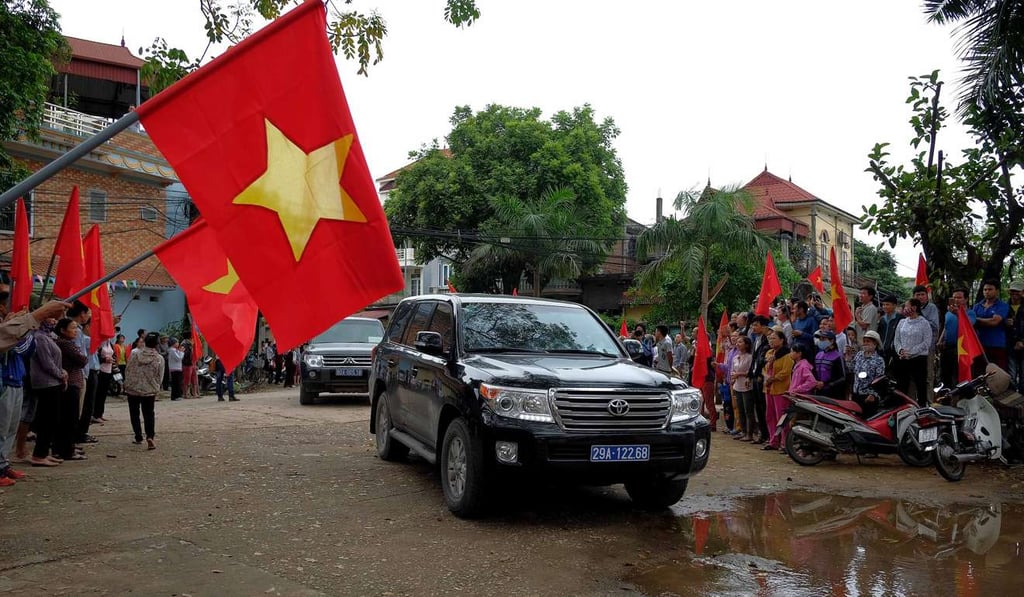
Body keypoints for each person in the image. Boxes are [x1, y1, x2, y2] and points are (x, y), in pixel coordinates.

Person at [28, 318, 66, 467]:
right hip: (45, 383)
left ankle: (43, 453)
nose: (54, 321)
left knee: (51, 420)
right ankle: (38, 455)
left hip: (52, 382)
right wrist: (61, 374)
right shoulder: (40, 338)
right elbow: (47, 363)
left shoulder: (48, 337)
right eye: (50, 318)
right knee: (47, 420)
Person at [53, 318, 88, 461]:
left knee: (68, 418)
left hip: (72, 382)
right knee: (69, 419)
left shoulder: (66, 343)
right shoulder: (64, 343)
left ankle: (65, 447)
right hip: (70, 384)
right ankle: (66, 450)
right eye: (73, 328)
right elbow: (82, 360)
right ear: (62, 330)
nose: (76, 331)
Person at [124, 332, 164, 449]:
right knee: (149, 414)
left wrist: (128, 383)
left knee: (134, 413)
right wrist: (156, 387)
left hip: (133, 389)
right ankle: (150, 436)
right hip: (149, 390)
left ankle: (138, 436)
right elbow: (160, 376)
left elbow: (128, 369)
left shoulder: (134, 353)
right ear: (157, 344)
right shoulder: (159, 358)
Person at [894, 298, 933, 407]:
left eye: (906, 306)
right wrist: (900, 350)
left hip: (918, 360)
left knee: (920, 385)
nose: (904, 309)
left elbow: (926, 342)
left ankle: (922, 408)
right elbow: (896, 339)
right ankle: (901, 408)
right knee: (901, 385)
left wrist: (910, 352)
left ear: (914, 308)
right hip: (903, 359)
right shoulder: (902, 322)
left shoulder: (924, 323)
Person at [938, 288, 976, 388]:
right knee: (945, 375)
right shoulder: (948, 312)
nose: (956, 300)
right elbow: (946, 327)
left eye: (959, 297)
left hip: (961, 349)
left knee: (959, 376)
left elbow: (969, 324)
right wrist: (940, 340)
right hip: (947, 347)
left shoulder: (970, 313)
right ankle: (945, 399)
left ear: (966, 299)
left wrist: (957, 313)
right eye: (954, 297)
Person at [763, 330, 793, 451]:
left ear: (782, 340)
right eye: (770, 339)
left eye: (774, 338)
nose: (771, 341)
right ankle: (773, 440)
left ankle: (784, 442)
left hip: (781, 388)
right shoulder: (769, 353)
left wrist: (773, 378)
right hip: (769, 388)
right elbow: (764, 368)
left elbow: (786, 372)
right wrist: (767, 375)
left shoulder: (787, 355)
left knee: (781, 416)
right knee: (770, 415)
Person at [973, 279, 1010, 370]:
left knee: (997, 374)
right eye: (985, 290)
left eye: (990, 289)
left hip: (997, 345)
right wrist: (986, 320)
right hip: (980, 345)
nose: (987, 292)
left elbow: (994, 322)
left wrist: (977, 319)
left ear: (997, 291)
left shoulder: (1002, 305)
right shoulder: (977, 306)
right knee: (980, 373)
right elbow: (971, 322)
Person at [851, 331, 887, 418]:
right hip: (856, 394)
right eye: (864, 341)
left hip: (868, 396)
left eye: (868, 341)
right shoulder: (859, 355)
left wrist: (873, 394)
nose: (865, 344)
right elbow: (852, 369)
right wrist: (848, 359)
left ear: (875, 344)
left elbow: (880, 380)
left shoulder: (879, 360)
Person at [730, 336, 756, 442]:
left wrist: (739, 374)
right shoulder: (735, 357)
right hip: (737, 385)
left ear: (747, 344)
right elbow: (732, 370)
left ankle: (750, 433)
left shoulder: (750, 357)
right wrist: (733, 377)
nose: (738, 343)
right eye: (738, 342)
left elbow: (751, 372)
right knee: (740, 410)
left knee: (748, 410)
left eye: (741, 342)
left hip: (746, 386)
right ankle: (743, 431)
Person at [812, 330, 846, 399]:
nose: (821, 341)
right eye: (820, 339)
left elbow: (842, 377)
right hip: (818, 390)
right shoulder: (818, 355)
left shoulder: (838, 356)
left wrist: (827, 384)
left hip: (832, 393)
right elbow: (814, 371)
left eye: (823, 339)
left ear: (832, 341)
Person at [876, 294, 903, 372]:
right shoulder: (882, 319)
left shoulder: (900, 318)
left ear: (894, 305)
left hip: (895, 352)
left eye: (887, 304)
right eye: (883, 305)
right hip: (882, 351)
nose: (884, 307)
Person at [1007, 281, 1024, 390]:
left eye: (1017, 291)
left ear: (1022, 292)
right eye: (1012, 291)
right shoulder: (1004, 306)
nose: (1014, 293)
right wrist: (1004, 322)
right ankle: (1013, 401)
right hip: (1009, 346)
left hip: (1023, 345)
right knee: (1011, 376)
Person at [94, 338, 115, 422]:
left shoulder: (110, 343)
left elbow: (113, 354)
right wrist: (104, 360)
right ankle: (95, 414)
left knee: (103, 394)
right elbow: (95, 357)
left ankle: (100, 413)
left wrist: (113, 359)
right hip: (100, 370)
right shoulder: (99, 343)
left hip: (108, 370)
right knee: (98, 393)